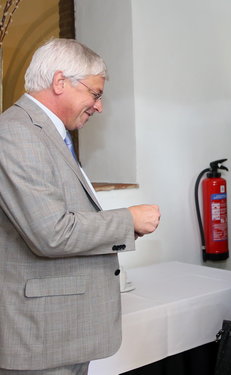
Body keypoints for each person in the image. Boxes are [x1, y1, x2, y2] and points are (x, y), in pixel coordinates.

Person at [0, 38, 160, 374]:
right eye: (95, 94)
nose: (98, 106)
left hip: (62, 331)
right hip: (41, 337)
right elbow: (51, 232)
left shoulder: (48, 134)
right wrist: (127, 220)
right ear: (60, 82)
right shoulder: (17, 134)